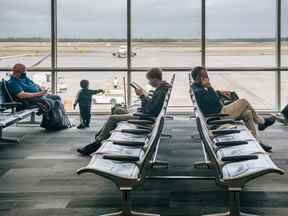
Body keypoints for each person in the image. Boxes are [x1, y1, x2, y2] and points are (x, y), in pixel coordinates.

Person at [77, 67, 170, 156]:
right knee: (117, 110)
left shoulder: (161, 92)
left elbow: (150, 111)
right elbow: (151, 106)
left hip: (144, 117)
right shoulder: (161, 89)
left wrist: (142, 96)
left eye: (150, 80)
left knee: (113, 118)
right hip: (143, 113)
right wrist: (145, 97)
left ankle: (97, 143)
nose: (149, 82)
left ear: (155, 79)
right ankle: (102, 135)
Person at [191, 66, 275, 152]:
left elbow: (211, 99)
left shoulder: (197, 87)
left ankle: (257, 142)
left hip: (219, 113)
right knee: (243, 101)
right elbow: (215, 101)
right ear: (199, 77)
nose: (208, 77)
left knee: (248, 113)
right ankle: (262, 122)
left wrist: (218, 92)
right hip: (219, 116)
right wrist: (209, 87)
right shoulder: (199, 91)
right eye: (205, 75)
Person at [7, 63, 71, 130]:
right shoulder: (13, 82)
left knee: (57, 98)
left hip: (37, 96)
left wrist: (41, 90)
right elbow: (21, 95)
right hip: (28, 100)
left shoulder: (24, 78)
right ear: (17, 72)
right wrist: (38, 94)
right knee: (51, 102)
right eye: (23, 72)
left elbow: (33, 85)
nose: (24, 74)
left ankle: (59, 122)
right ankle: (54, 123)